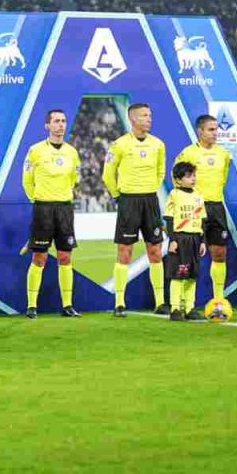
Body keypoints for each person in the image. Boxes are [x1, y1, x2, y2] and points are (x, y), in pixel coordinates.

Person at [102, 102, 166, 317]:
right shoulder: (119, 145)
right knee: (124, 252)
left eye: (150, 115)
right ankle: (119, 302)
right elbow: (107, 174)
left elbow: (160, 172)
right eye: (144, 116)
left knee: (155, 252)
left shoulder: (158, 144)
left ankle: (160, 302)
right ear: (132, 119)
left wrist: (149, 190)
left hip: (150, 201)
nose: (149, 119)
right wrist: (118, 197)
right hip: (128, 202)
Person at [22, 109, 81, 318]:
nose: (61, 125)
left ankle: (67, 305)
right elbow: (27, 180)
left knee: (65, 256)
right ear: (47, 125)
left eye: (63, 121)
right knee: (39, 257)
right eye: (56, 121)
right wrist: (37, 199)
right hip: (43, 208)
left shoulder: (72, 152)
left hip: (64, 208)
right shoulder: (35, 150)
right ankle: (31, 306)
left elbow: (74, 179)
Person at [175, 114, 231, 308]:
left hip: (216, 206)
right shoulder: (188, 153)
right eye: (211, 129)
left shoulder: (223, 154)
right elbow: (178, 179)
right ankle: (183, 301)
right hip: (194, 208)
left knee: (219, 252)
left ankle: (218, 299)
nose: (215, 133)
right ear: (200, 131)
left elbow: (223, 179)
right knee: (188, 254)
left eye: (216, 129)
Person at [163, 162, 207, 321]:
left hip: (195, 238)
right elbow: (168, 219)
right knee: (178, 274)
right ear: (178, 180)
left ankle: (190, 308)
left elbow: (203, 220)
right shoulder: (174, 195)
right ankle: (175, 309)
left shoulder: (198, 196)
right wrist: (172, 240)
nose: (193, 179)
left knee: (191, 275)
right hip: (180, 239)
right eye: (188, 176)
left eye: (194, 175)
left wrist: (203, 241)